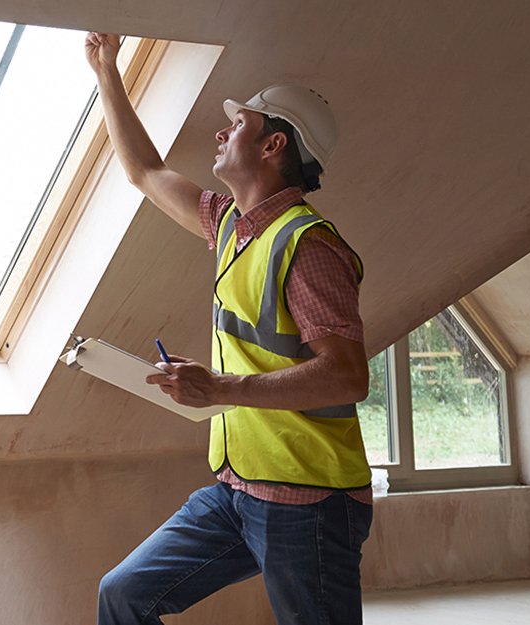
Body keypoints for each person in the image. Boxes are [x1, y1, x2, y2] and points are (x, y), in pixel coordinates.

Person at [85, 32, 374, 625]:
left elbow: (347, 376)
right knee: (124, 593)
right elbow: (144, 171)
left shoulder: (307, 244)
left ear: (273, 145)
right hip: (238, 491)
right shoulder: (231, 228)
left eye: (236, 124)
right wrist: (106, 71)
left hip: (309, 500)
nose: (220, 133)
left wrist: (220, 389)